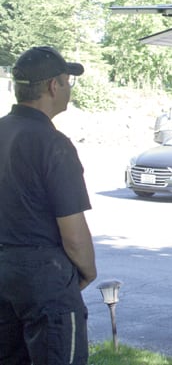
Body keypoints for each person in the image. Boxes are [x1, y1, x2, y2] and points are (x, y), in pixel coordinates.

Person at [0, 46, 97, 364]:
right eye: (68, 81)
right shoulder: (53, 144)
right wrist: (87, 270)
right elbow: (73, 232)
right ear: (54, 86)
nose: (69, 88)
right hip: (44, 277)